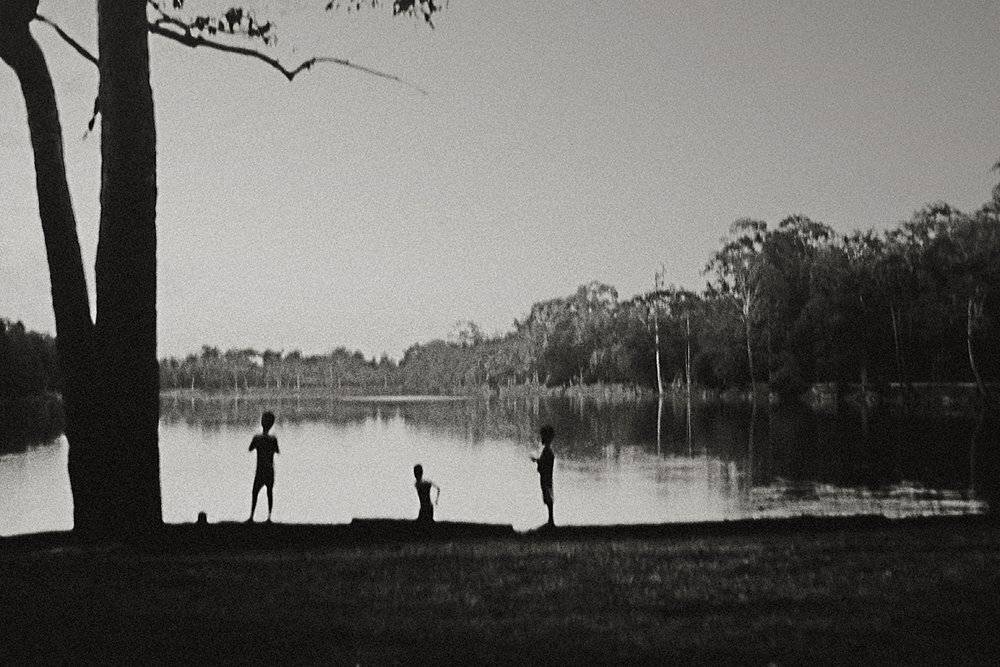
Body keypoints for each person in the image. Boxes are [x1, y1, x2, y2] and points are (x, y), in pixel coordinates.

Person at [248, 411, 279, 522]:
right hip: (269, 469)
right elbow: (277, 451)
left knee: (255, 492)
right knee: (269, 493)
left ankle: (251, 516)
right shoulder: (273, 439)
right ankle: (269, 517)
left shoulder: (257, 438)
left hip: (260, 469)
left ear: (262, 423)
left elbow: (250, 448)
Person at [530, 425, 555, 527]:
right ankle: (550, 520)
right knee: (547, 496)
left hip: (546, 478)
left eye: (543, 436)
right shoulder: (547, 450)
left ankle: (551, 520)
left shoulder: (547, 451)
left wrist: (536, 460)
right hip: (546, 477)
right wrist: (538, 460)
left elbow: (544, 464)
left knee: (548, 497)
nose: (541, 439)